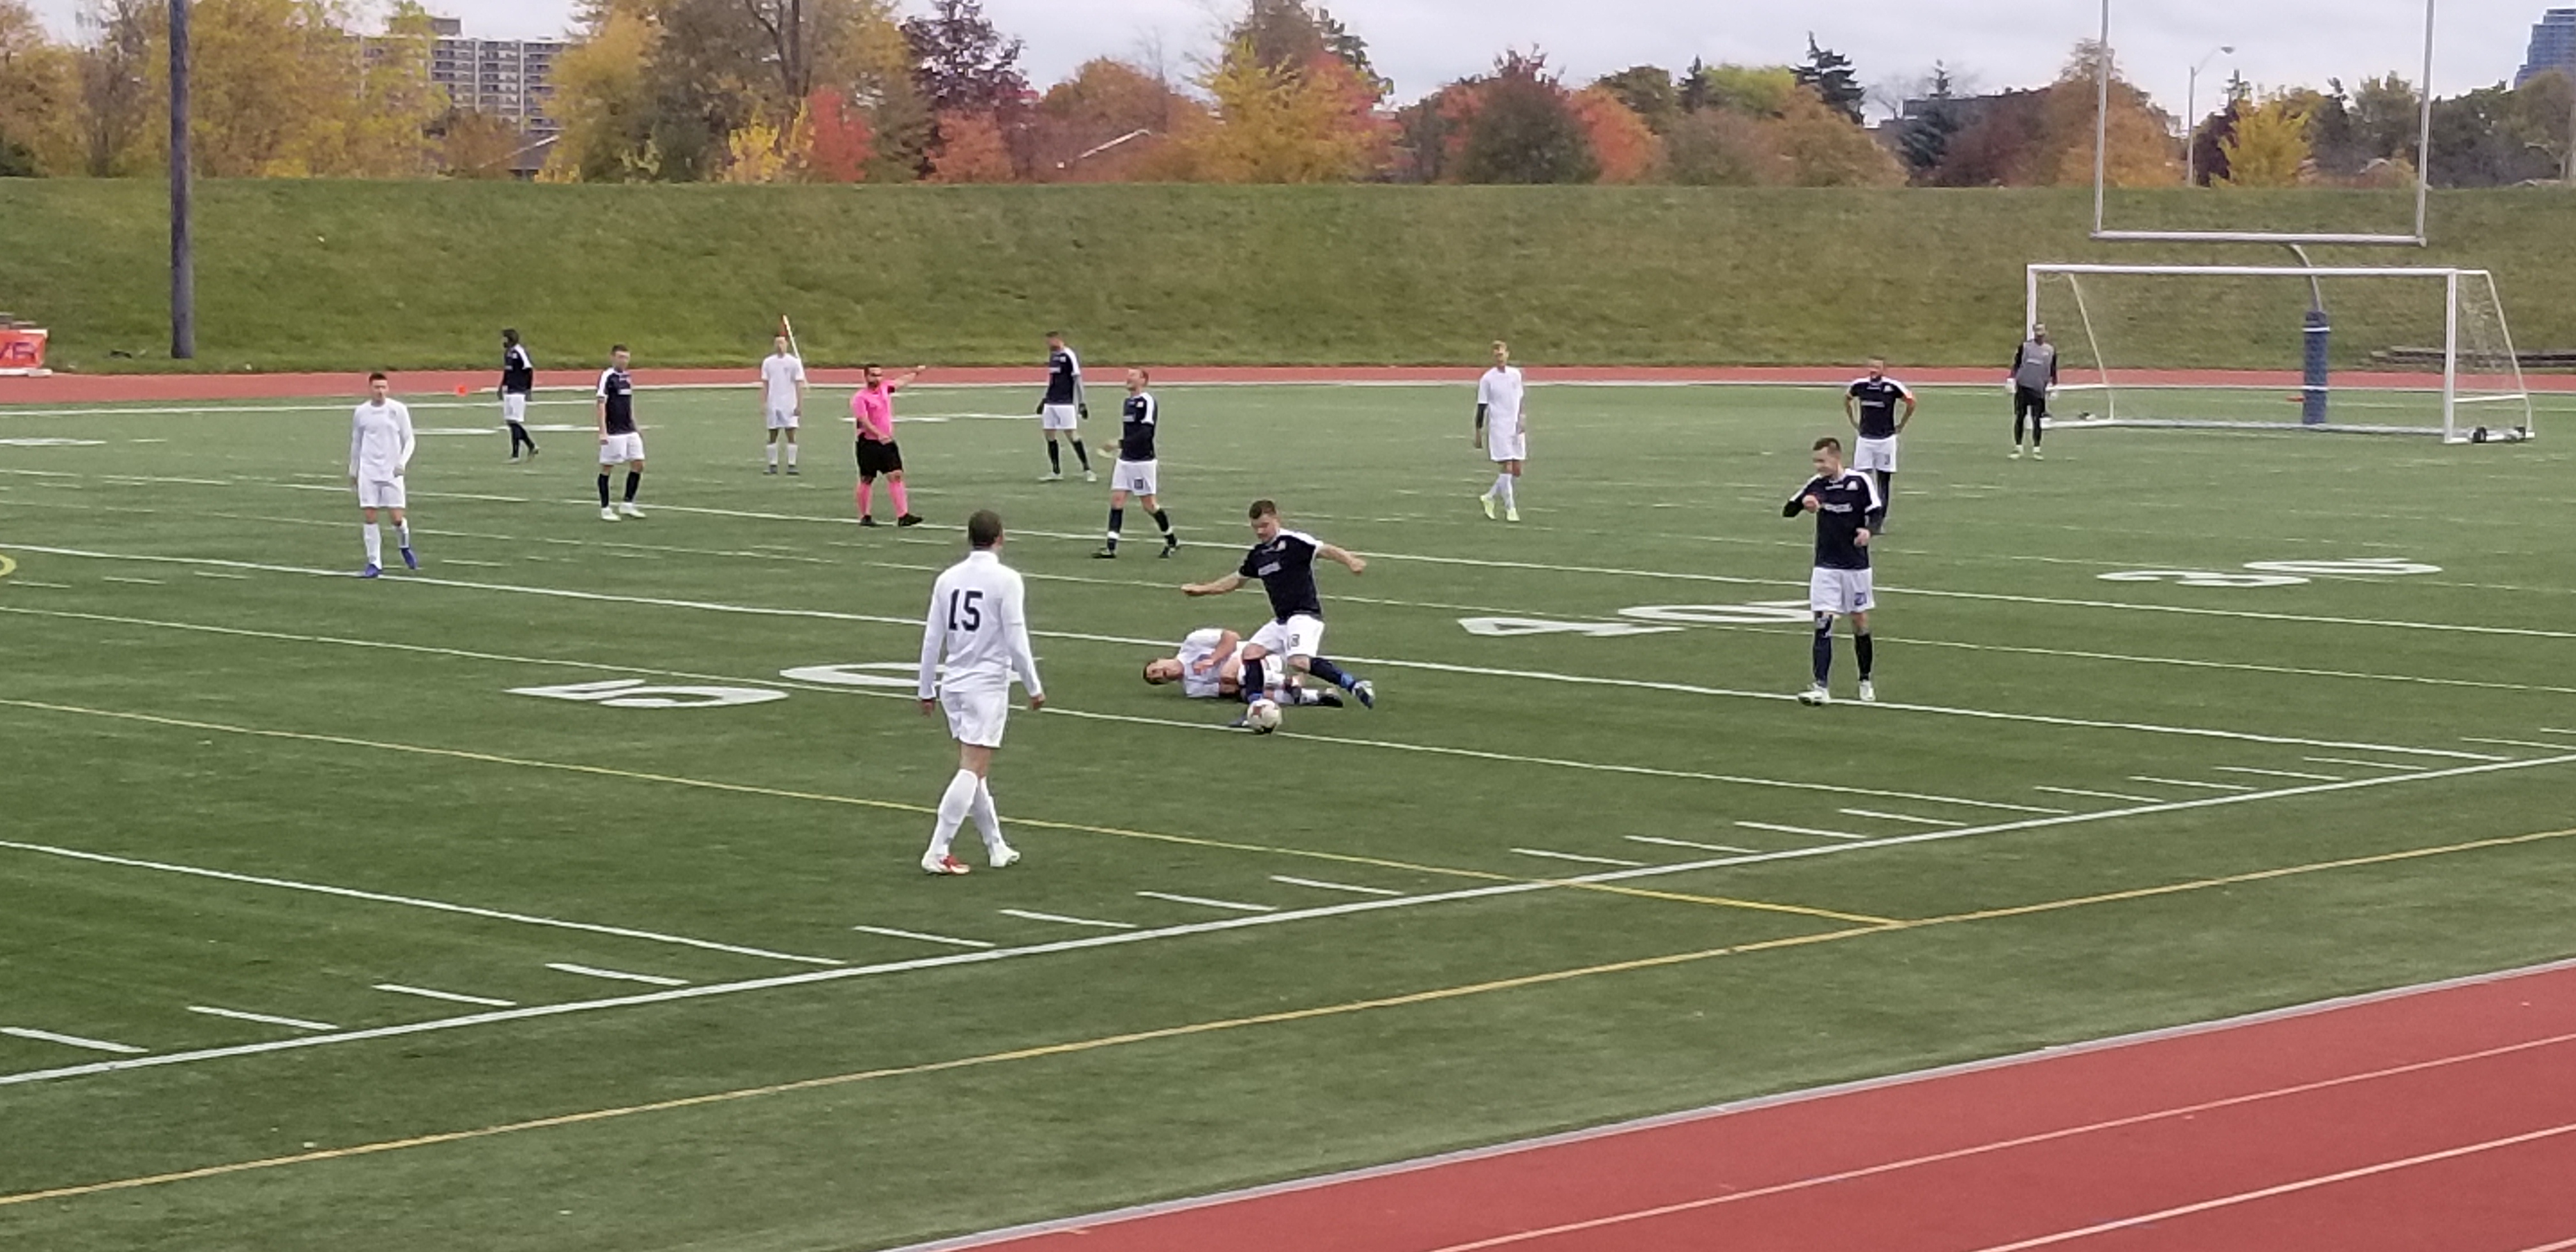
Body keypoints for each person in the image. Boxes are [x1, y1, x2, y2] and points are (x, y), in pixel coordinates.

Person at [916, 509, 1041, 876]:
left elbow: (931, 639)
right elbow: (1017, 639)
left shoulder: (947, 579)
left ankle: (995, 845)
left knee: (975, 769)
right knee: (973, 767)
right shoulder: (1007, 580)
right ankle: (938, 849)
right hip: (985, 686)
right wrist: (1033, 685)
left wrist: (926, 688)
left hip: (953, 683)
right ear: (1000, 537)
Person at [1182, 500, 1376, 726]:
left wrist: (1351, 561)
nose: (1260, 532)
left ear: (1276, 519)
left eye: (1265, 525)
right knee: (1251, 654)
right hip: (1283, 620)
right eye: (1256, 528)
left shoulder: (1292, 542)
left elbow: (1324, 550)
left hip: (1304, 615)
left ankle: (1355, 685)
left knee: (1300, 662)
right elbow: (1236, 580)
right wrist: (1204, 589)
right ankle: (1255, 709)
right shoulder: (1258, 554)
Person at [1783, 436, 1884, 706]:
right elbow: (1788, 510)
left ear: (1836, 458)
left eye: (1822, 461)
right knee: (1823, 622)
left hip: (1856, 567)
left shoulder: (1860, 482)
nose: (1818, 466)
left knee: (1860, 622)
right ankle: (1821, 687)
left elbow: (1877, 512)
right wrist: (1806, 504)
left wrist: (1868, 531)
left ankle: (1865, 679)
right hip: (1826, 566)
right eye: (1815, 461)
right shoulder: (1816, 485)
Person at [1094, 368, 1178, 558]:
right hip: (1125, 460)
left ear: (1143, 380)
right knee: (1117, 500)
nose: (1128, 378)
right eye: (1128, 375)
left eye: (1133, 376)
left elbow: (1146, 434)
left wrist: (1119, 443)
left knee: (1149, 505)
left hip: (1142, 461)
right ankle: (1111, 546)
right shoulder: (1128, 403)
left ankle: (1171, 540)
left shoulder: (1147, 402)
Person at [1142, 627, 1344, 705]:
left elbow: (1231, 637)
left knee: (1229, 674)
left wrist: (1214, 659)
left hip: (1257, 657)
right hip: (1255, 677)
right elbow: (1226, 690)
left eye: (1156, 670)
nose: (1161, 674)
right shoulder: (1192, 689)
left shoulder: (1192, 642)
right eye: (1158, 679)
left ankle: (1290, 681)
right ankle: (1318, 697)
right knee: (1249, 695)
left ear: (1161, 659)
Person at [349, 372, 418, 577]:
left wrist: (402, 463)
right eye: (376, 387)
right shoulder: (361, 412)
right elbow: (356, 442)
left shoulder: (398, 410)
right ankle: (374, 563)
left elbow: (410, 440)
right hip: (369, 470)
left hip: (392, 472)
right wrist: (354, 470)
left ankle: (404, 545)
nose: (380, 391)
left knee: (397, 519)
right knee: (370, 515)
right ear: (370, 389)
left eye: (383, 387)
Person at [852, 363, 926, 527]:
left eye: (879, 375)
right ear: (866, 377)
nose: (877, 378)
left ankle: (903, 515)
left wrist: (915, 373)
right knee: (867, 478)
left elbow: (900, 382)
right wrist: (879, 434)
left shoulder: (885, 388)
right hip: (869, 443)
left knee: (896, 474)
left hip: (886, 441)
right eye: (873, 375)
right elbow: (863, 421)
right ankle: (865, 515)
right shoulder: (860, 398)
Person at [1843, 357, 1915, 528]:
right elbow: (1847, 398)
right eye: (1871, 367)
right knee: (1861, 479)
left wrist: (1902, 424)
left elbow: (1911, 402)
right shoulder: (1859, 385)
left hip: (1886, 440)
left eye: (1877, 367)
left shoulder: (1892, 387)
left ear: (1884, 369)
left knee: (1883, 481)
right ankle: (1862, 516)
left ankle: (1878, 521)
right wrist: (1853, 421)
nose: (1873, 370)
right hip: (1865, 440)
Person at [1474, 340, 1527, 522]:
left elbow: (1520, 398)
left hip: (1515, 426)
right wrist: (1478, 431)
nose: (1500, 357)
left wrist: (1522, 418)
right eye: (1496, 355)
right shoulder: (1488, 379)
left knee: (1517, 470)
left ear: (1508, 354)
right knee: (1507, 467)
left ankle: (1489, 497)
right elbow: (1481, 406)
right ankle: (1511, 509)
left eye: (1502, 353)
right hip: (1499, 427)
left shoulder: (1516, 375)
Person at [1035, 330, 1095, 483]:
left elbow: (1077, 379)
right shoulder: (1053, 357)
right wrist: (1044, 399)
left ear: (1058, 340)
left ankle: (1087, 469)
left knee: (1072, 435)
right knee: (1049, 435)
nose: (1048, 345)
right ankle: (1056, 471)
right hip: (1051, 402)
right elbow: (1053, 381)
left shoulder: (1069, 355)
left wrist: (1082, 402)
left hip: (1065, 403)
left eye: (1050, 341)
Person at [596, 344, 645, 521]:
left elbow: (628, 403)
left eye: (626, 357)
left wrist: (636, 425)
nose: (624, 361)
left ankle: (628, 504)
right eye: (620, 357)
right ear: (612, 357)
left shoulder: (627, 377)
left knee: (638, 463)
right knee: (608, 467)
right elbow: (601, 403)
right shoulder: (607, 376)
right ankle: (605, 508)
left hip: (629, 429)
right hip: (614, 430)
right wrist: (603, 431)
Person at [758, 333, 807, 476]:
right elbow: (765, 384)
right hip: (774, 403)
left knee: (790, 433)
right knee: (772, 433)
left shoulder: (794, 362)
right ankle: (772, 464)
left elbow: (799, 384)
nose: (780, 346)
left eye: (782, 343)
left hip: (789, 403)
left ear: (787, 345)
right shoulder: (768, 362)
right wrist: (764, 403)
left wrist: (799, 404)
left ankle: (792, 464)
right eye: (777, 343)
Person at [2009, 324, 2058, 460]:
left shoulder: (2050, 350)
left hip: (2039, 389)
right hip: (2023, 387)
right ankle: (2018, 447)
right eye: (2037, 331)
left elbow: (2053, 370)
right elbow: (2017, 364)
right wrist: (2011, 379)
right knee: (2020, 416)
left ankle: (2037, 448)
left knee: (2037, 419)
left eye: (2042, 331)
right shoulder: (2025, 347)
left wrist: (2054, 386)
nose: (2040, 334)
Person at [500, 329, 539, 463]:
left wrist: (528, 390)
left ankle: (516, 454)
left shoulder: (519, 352)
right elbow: (507, 371)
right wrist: (501, 387)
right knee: (511, 422)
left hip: (518, 391)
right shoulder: (508, 353)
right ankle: (531, 446)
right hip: (510, 391)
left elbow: (529, 370)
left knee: (515, 422)